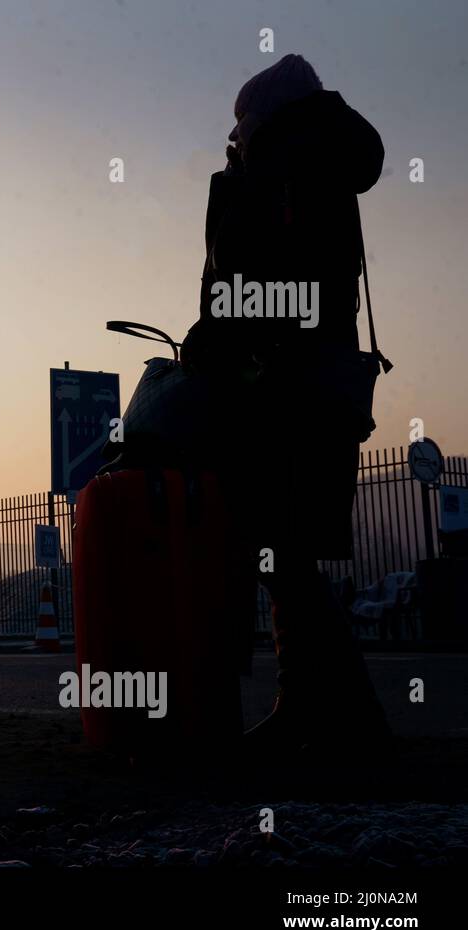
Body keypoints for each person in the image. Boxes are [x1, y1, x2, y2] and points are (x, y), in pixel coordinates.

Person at [179, 54, 390, 755]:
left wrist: (212, 340)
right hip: (319, 383)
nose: (235, 141)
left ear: (264, 120)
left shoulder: (284, 169)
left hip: (282, 390)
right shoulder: (326, 169)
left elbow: (261, 281)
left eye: (242, 128)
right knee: (286, 552)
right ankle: (345, 713)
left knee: (278, 550)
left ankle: (317, 710)